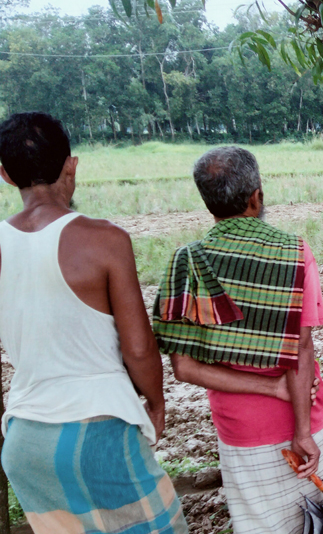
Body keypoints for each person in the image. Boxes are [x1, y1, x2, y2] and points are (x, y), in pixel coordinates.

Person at [0, 112, 187, 533]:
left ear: (6, 175)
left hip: (25, 438)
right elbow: (138, 348)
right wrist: (156, 402)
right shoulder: (105, 240)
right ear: (72, 164)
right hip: (97, 430)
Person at [152, 146, 323, 534]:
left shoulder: (187, 262)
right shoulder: (294, 253)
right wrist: (302, 431)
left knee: (261, 524)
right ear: (257, 197)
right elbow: (301, 349)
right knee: (322, 520)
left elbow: (183, 368)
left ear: (208, 204)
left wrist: (269, 389)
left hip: (240, 427)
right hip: (304, 414)